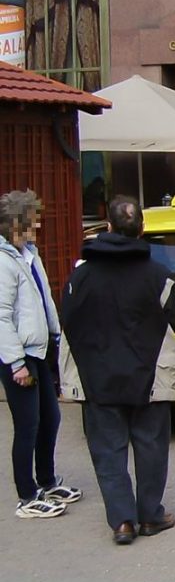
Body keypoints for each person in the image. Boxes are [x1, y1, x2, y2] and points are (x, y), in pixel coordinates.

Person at [59, 195, 175, 545]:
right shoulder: (158, 276)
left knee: (108, 452)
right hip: (148, 378)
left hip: (97, 379)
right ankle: (150, 516)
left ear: (108, 226)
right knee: (151, 447)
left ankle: (122, 523)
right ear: (142, 229)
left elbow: (66, 318)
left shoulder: (80, 277)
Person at [0, 189, 83, 519]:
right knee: (28, 424)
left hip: (39, 349)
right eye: (31, 222)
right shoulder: (4, 261)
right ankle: (27, 495)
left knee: (51, 418)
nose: (37, 228)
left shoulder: (28, 254)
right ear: (15, 224)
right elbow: (1, 317)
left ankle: (47, 481)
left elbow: (42, 300)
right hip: (20, 355)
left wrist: (55, 335)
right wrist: (15, 362)